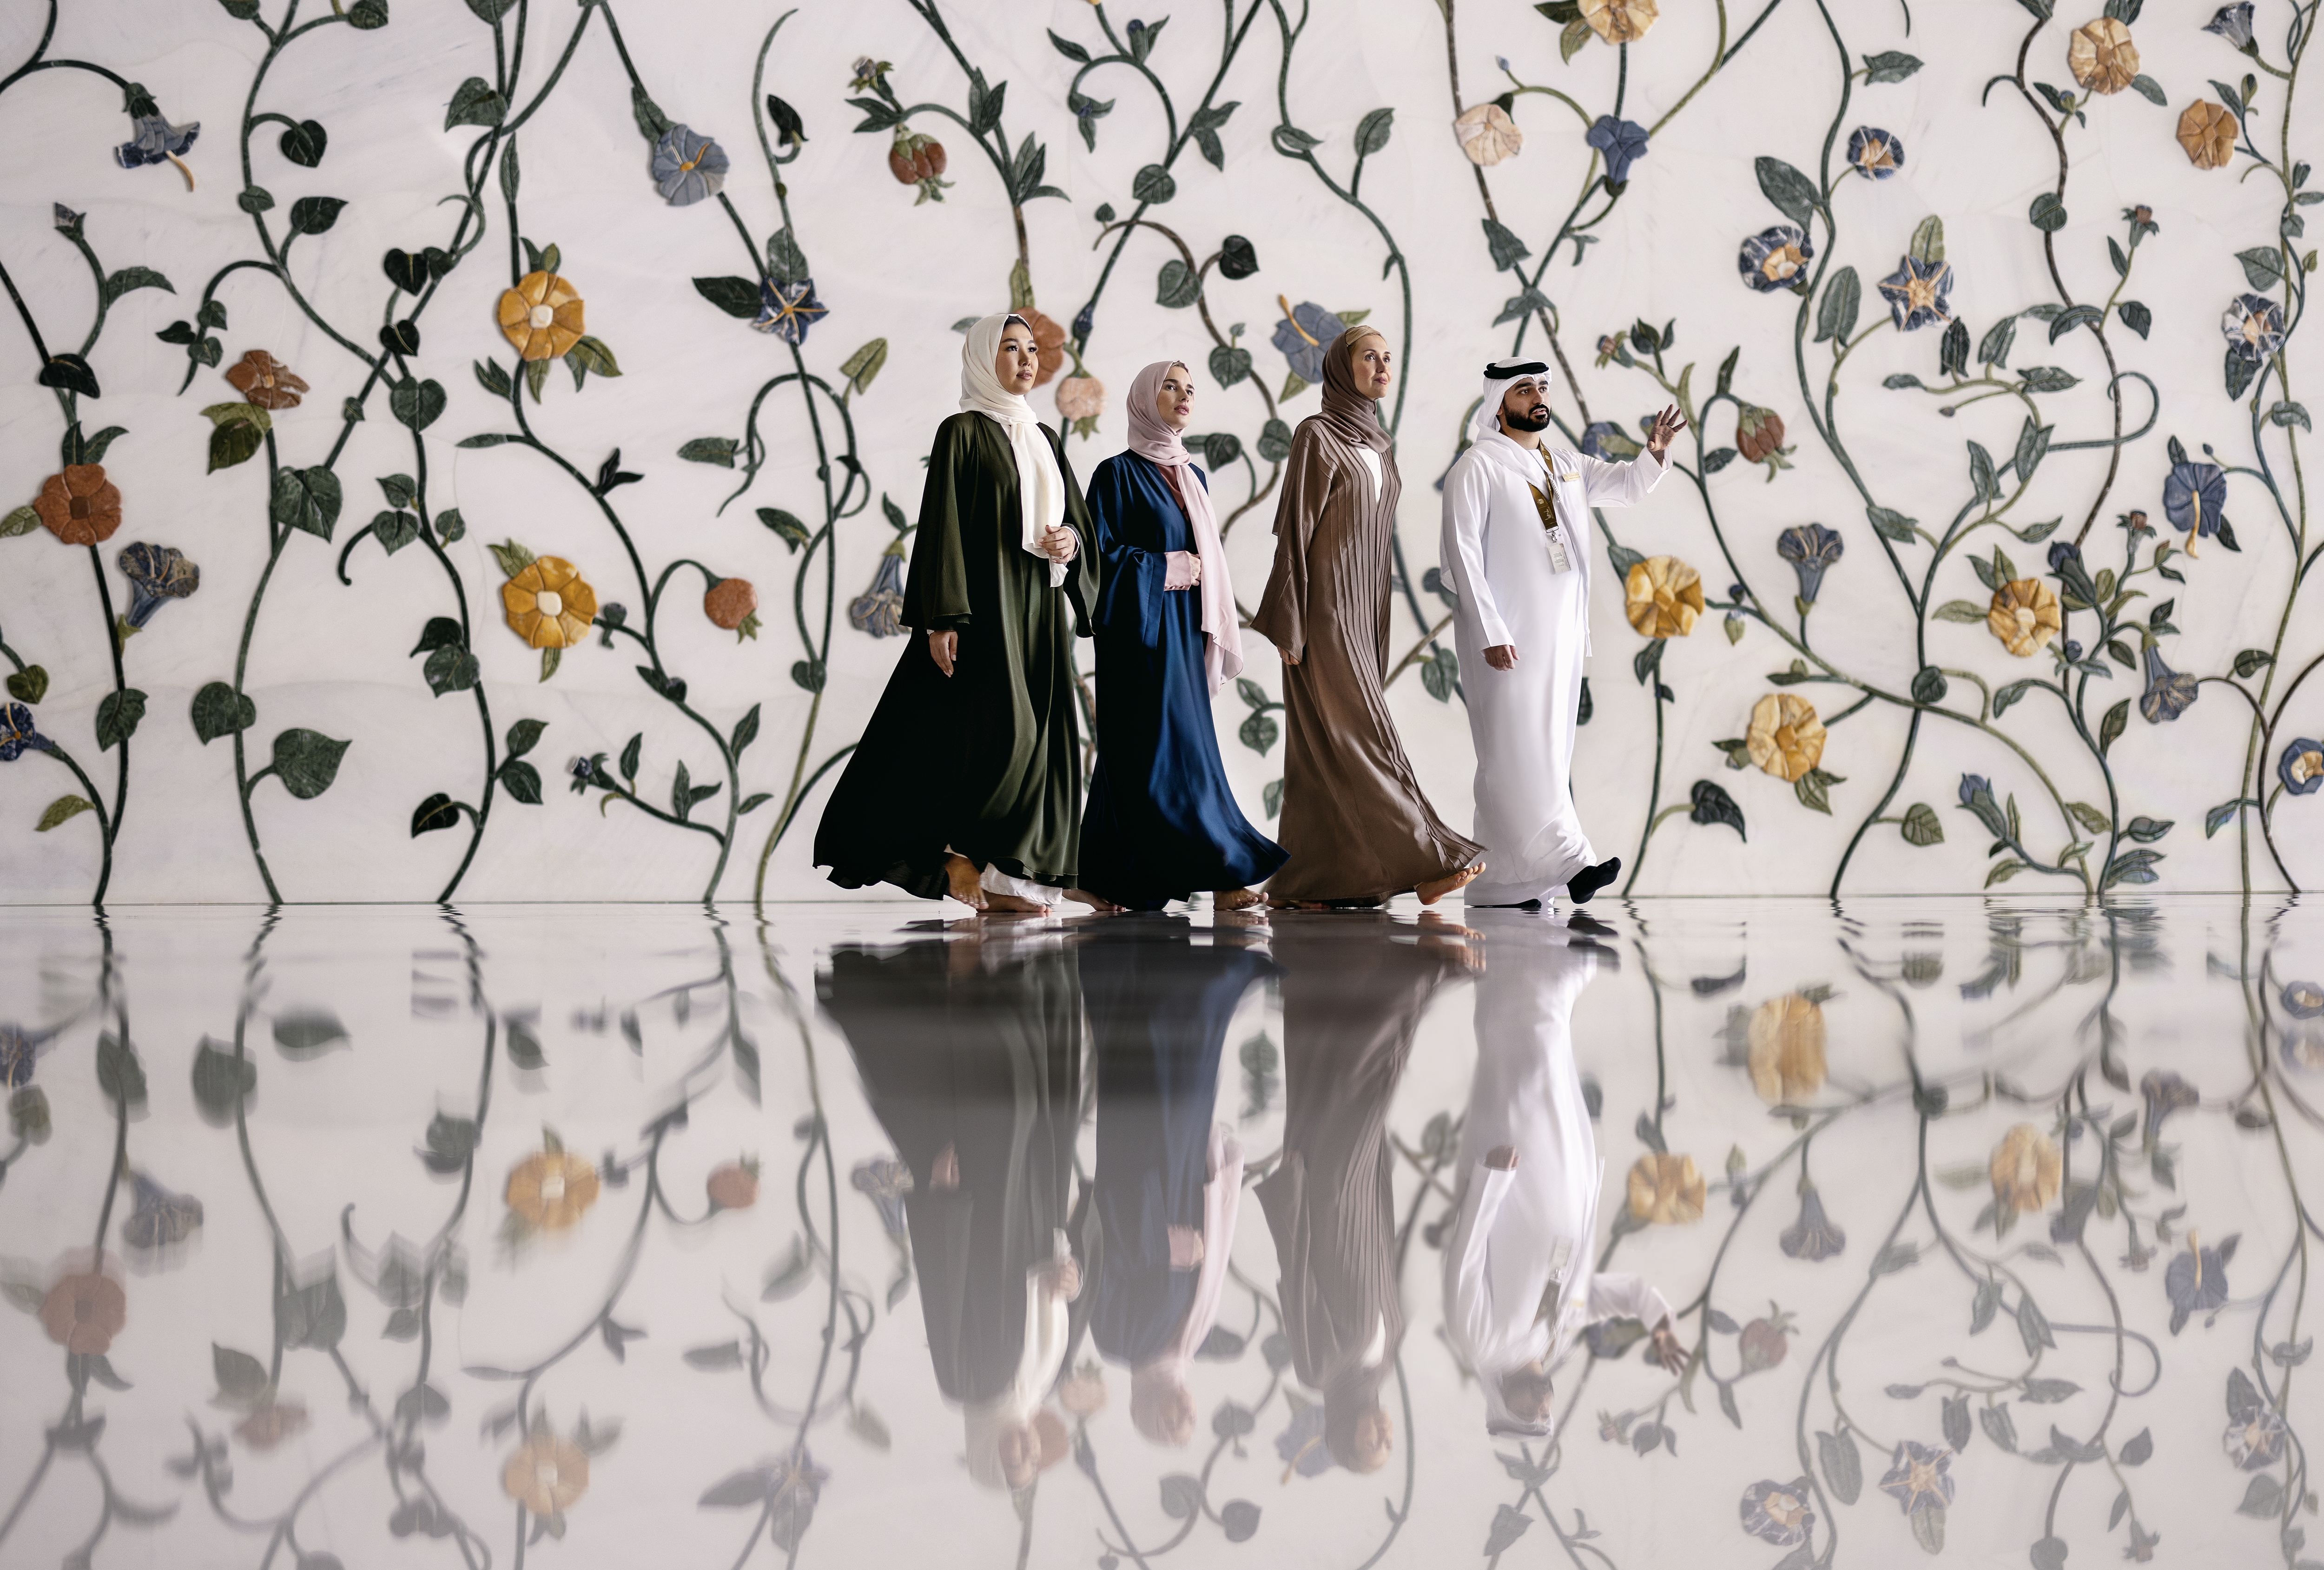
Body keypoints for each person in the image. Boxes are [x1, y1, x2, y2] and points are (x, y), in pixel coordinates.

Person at [815, 313, 1109, 913]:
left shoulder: (1045, 439)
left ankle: (1013, 875)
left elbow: (1077, 522)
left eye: (1032, 349)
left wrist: (1071, 545)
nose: (1026, 360)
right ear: (981, 358)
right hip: (988, 604)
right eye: (1010, 348)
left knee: (1044, 739)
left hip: (1041, 605)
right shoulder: (963, 432)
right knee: (1009, 733)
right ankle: (952, 856)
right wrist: (942, 616)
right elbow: (943, 521)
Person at [819, 929, 1085, 1491]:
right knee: (1032, 1094)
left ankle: (973, 970)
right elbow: (1058, 1299)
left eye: (1011, 1461)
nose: (1026, 1452)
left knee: (997, 1093)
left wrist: (940, 1197)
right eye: (1032, 1461)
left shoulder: (964, 1385)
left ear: (985, 1451)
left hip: (984, 1210)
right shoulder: (1040, 1383)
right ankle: (1003, 967)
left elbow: (942, 1288)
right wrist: (1070, 1280)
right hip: (1034, 1219)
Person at [1251, 326, 1485, 908]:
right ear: (1339, 367)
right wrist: (1290, 620)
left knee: (1321, 754)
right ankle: (1429, 857)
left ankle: (1313, 882)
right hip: (1322, 612)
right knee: (1367, 739)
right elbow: (1294, 532)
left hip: (1364, 610)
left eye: (1387, 357)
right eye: (1368, 357)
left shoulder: (1379, 444)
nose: (1381, 366)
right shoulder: (1317, 435)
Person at [1439, 361, 1684, 907]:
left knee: (1544, 752)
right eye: (1523, 389)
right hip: (1504, 638)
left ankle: (1503, 881)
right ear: (1499, 404)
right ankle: (1572, 863)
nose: (1536, 397)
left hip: (1560, 635)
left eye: (1542, 388)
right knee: (1515, 749)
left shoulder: (1564, 464)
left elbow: (1626, 487)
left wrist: (1655, 451)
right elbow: (1461, 557)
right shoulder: (1476, 468)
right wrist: (1489, 629)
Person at [1438, 910, 1685, 1439]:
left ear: (1501, 1404)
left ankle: (1553, 957)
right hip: (1568, 1184)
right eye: (1548, 1418)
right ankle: (1552, 951)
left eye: (1531, 1417)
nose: (1544, 1410)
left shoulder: (1479, 1342)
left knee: (1526, 1067)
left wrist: (1489, 1181)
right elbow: (1605, 1294)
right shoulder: (1558, 1343)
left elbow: (1465, 1258)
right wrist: (1658, 1322)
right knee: (1553, 1069)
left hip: (1517, 1182)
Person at [1256, 910, 1476, 1473]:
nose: (1382, 1432)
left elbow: (1297, 1277)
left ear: (1341, 1434)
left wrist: (1292, 1189)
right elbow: (1383, 1252)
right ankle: (1413, 981)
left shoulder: (1319, 1369)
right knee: (1370, 1087)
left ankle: (1421, 976)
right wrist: (1382, 1176)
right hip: (1363, 1195)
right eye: (1388, 1442)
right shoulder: (1384, 1360)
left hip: (1326, 1196)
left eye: (1369, 1443)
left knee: (1355, 1082)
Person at [1078, 361, 1287, 910]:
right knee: (1160, 751)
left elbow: (1208, 562)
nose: (1182, 395)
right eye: (1170, 385)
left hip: (1183, 632)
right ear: (1145, 398)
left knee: (1154, 752)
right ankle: (1221, 873)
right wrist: (1168, 567)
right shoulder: (1114, 475)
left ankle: (1104, 875)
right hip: (1138, 636)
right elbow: (1098, 563)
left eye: (1189, 388)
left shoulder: (1193, 477)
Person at [1077, 916, 1274, 1445]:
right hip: (1182, 1176)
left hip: (1140, 1175)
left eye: (1167, 1424)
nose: (1181, 1415)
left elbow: (1099, 1261)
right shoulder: (1188, 1342)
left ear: (1142, 1409)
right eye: (1188, 1423)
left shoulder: (1118, 1340)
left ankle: (1150, 966)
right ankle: (1194, 975)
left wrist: (1159, 1248)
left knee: (1148, 1072)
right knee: (1189, 1077)